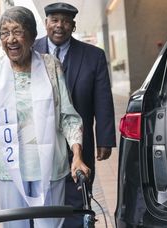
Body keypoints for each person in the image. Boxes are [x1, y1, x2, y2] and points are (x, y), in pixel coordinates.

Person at [0, 6, 90, 228]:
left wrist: (77, 156)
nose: (11, 39)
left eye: (17, 31)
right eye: (4, 33)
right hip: (9, 170)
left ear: (32, 35)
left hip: (50, 167)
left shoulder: (50, 66)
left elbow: (68, 117)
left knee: (49, 225)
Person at [33, 3, 116, 227]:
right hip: (41, 143)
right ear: (46, 23)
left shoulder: (93, 55)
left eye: (66, 21)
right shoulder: (30, 50)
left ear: (73, 26)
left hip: (81, 143)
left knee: (78, 200)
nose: (60, 26)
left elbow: (103, 99)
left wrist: (105, 139)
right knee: (44, 204)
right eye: (55, 20)